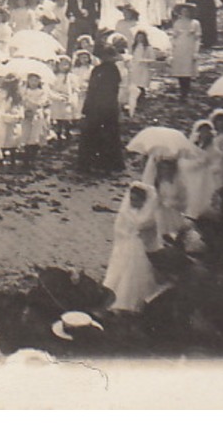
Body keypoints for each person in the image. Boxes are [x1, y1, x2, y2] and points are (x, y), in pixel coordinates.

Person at [103, 182, 159, 312]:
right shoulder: (125, 211)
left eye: (137, 200)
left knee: (134, 276)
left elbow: (152, 236)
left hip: (140, 248)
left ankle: (131, 303)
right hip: (125, 246)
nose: (133, 202)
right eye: (132, 199)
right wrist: (126, 236)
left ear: (144, 201)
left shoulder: (150, 216)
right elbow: (118, 228)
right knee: (118, 273)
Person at [77, 35, 126, 175]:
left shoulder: (101, 70)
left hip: (99, 106)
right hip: (108, 106)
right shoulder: (112, 70)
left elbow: (93, 90)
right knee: (108, 134)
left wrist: (87, 107)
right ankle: (107, 164)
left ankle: (93, 163)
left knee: (94, 134)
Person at [169, 4, 201, 100]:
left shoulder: (195, 23)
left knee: (188, 70)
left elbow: (197, 38)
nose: (185, 13)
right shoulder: (177, 23)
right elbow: (174, 36)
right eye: (183, 11)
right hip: (179, 48)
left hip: (189, 48)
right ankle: (181, 89)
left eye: (187, 11)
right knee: (180, 70)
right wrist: (172, 47)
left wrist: (196, 51)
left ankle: (186, 91)